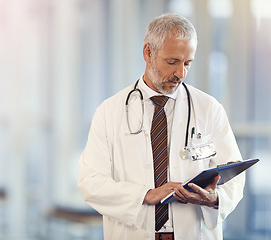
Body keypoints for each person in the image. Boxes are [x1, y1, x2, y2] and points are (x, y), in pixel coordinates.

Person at [78, 13, 245, 240]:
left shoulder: (209, 109)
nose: (181, 74)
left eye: (187, 63)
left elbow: (234, 178)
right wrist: (146, 195)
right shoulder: (110, 112)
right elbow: (91, 182)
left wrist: (214, 198)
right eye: (172, 62)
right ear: (148, 52)